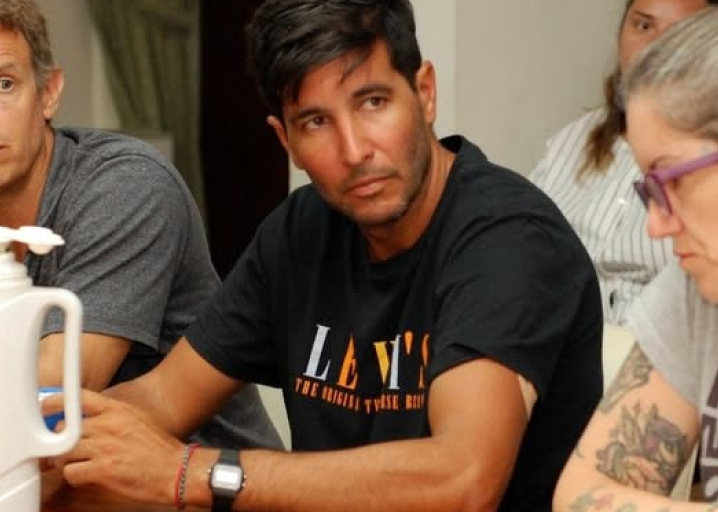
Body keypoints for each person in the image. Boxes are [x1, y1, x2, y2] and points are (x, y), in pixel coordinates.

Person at [48, 1, 603, 510]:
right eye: (316, 122)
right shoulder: (301, 231)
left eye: (373, 102)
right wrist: (47, 444)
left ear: (425, 93)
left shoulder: (509, 239)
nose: (354, 151)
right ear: (285, 141)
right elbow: (163, 398)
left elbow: (462, 481)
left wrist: (187, 472)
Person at [0, 0, 282, 453]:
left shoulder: (126, 186)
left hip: (206, 482)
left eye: (3, 84)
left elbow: (47, 403)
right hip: (11, 482)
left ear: (49, 93)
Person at [553, 2, 718, 510]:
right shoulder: (698, 292)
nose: (656, 225)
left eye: (673, 180)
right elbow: (581, 495)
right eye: (649, 190)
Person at [529, 0, 718, 326]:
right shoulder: (573, 138)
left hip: (663, 345)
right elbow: (519, 249)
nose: (653, 48)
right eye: (643, 26)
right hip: (557, 340)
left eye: (679, 33)